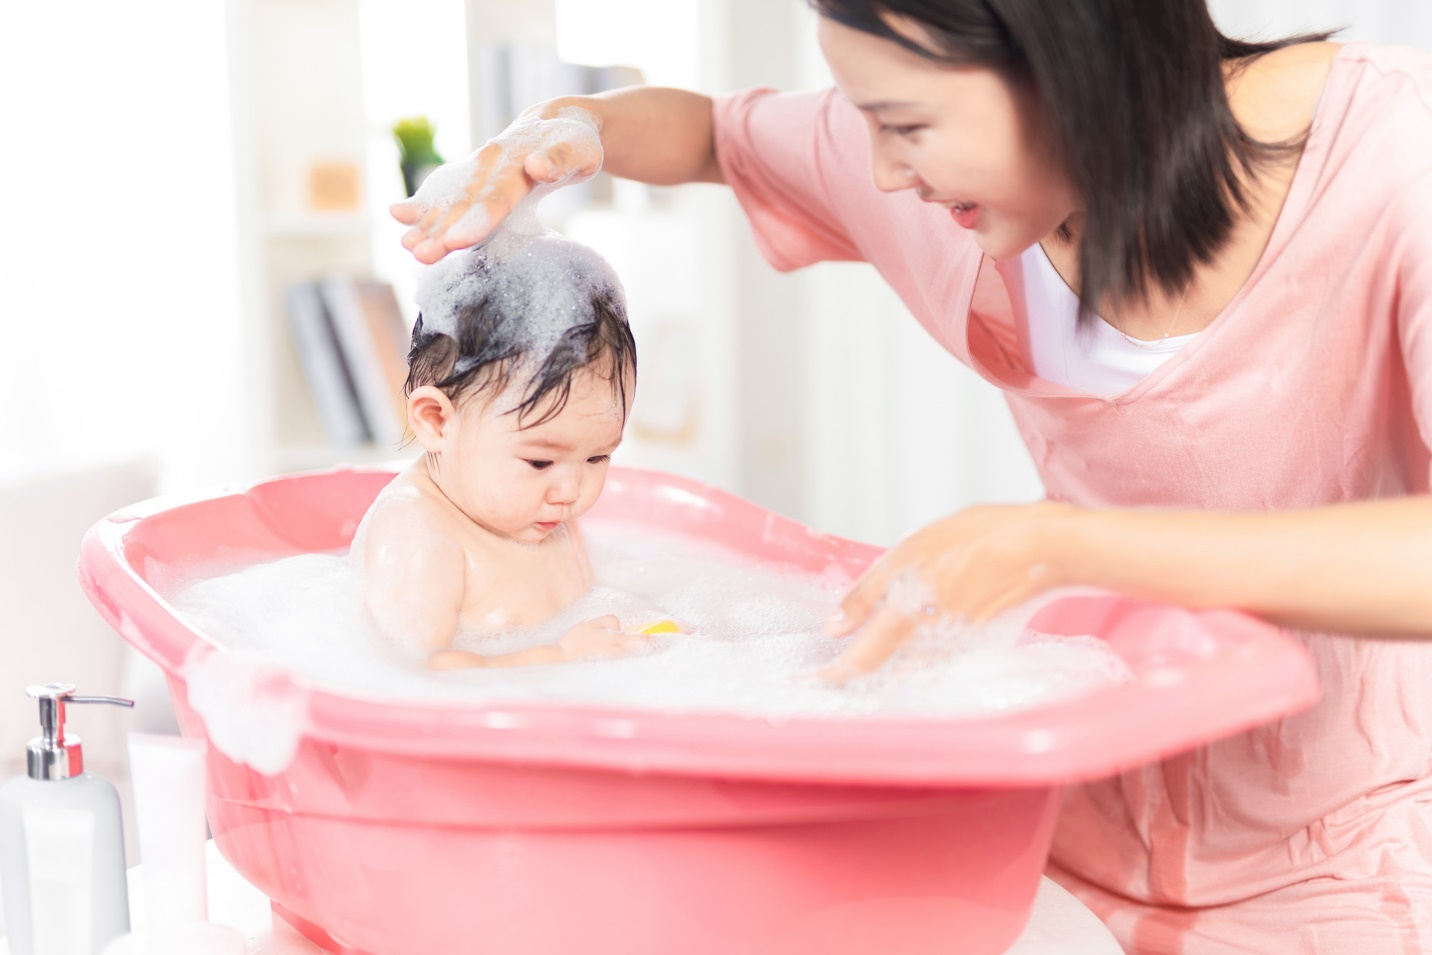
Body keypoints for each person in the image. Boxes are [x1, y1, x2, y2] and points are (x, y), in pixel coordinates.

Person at [391, 1, 1432, 950]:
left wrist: (1052, 545)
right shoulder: (947, 172)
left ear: (1075, 59)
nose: (883, 170)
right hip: (1050, 817)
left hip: (1335, 847)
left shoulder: (1395, 160)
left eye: (907, 125)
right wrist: (568, 131)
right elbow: (713, 133)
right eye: (863, 116)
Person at [350, 224, 656, 671]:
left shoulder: (540, 511)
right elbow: (413, 675)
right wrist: (560, 657)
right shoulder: (419, 534)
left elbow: (590, 605)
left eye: (597, 457)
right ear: (437, 422)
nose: (570, 490)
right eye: (540, 460)